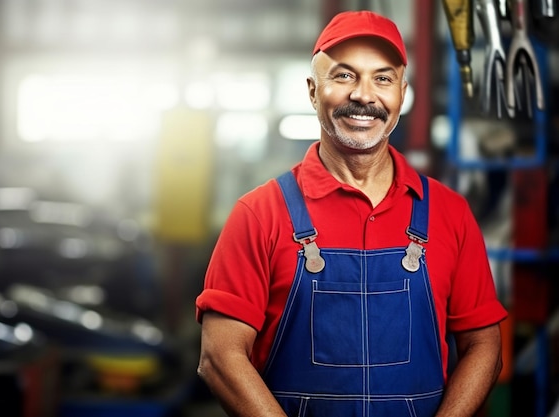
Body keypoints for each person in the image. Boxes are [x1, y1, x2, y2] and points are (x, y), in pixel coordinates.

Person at [195, 9, 508, 417]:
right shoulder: (260, 214)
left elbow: (484, 344)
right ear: (312, 91)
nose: (364, 95)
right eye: (343, 76)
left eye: (383, 78)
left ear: (402, 92)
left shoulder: (449, 213)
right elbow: (219, 357)